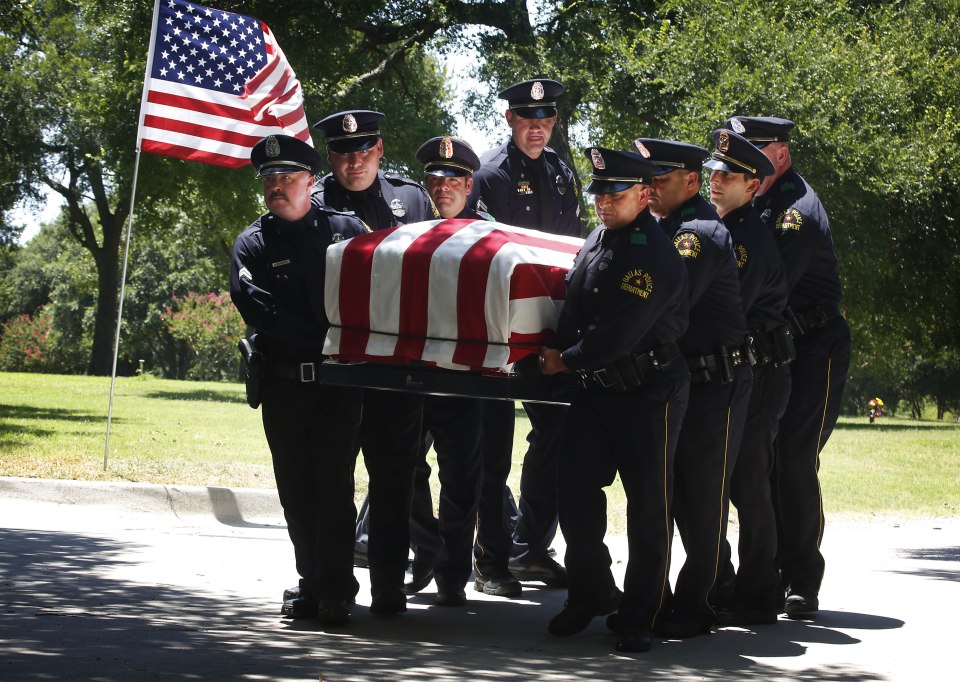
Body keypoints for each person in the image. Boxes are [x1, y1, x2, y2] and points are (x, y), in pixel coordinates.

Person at [541, 146, 690, 653]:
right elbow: (574, 308)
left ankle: (638, 613)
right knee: (575, 493)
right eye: (599, 191)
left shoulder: (651, 253)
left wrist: (563, 359)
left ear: (645, 196)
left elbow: (616, 334)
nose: (604, 200)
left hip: (648, 391)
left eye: (615, 191)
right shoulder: (597, 239)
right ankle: (590, 592)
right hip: (595, 391)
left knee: (648, 505)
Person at [230, 134, 368, 626]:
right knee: (295, 489)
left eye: (287, 178)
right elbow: (259, 310)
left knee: (333, 487)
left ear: (311, 182)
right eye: (270, 180)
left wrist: (338, 344)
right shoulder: (253, 242)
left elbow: (370, 296)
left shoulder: (346, 230)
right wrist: (326, 337)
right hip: (284, 385)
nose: (277, 187)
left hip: (337, 386)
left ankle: (335, 588)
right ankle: (311, 580)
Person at [724, 115, 851, 619]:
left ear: (780, 152)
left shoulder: (795, 212)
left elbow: (760, 287)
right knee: (765, 460)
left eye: (755, 150)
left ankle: (801, 578)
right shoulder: (758, 203)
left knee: (794, 460)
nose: (745, 161)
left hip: (814, 344)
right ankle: (770, 572)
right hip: (781, 346)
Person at [312, 110, 438, 615]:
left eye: (364, 149)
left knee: (394, 483)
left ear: (380, 149)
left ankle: (389, 589)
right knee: (333, 483)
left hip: (395, 368)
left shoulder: (409, 199)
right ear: (330, 157)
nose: (354, 160)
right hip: (339, 369)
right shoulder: (316, 203)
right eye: (343, 152)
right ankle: (336, 589)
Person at [467, 78, 583, 597]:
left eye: (547, 120)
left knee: (556, 438)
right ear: (510, 119)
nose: (538, 129)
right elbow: (485, 249)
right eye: (528, 120)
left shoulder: (561, 173)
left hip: (549, 324)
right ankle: (490, 558)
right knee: (491, 444)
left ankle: (531, 547)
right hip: (498, 325)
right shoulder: (488, 176)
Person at [636, 137, 753, 637]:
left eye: (658, 181)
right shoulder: (668, 228)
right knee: (676, 496)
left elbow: (661, 301)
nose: (650, 189)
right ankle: (668, 599)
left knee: (702, 498)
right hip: (688, 379)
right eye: (647, 181)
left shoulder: (697, 235)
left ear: (689, 181)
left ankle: (697, 604)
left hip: (715, 382)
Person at [702, 129, 794, 626]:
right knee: (728, 480)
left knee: (748, 484)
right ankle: (731, 583)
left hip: (758, 374)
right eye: (713, 173)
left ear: (754, 185)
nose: (715, 182)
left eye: (727, 176)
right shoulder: (726, 228)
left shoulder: (745, 238)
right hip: (743, 373)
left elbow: (729, 307)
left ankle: (760, 590)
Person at [402, 135, 491, 606]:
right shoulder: (410, 233)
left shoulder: (491, 235)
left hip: (464, 374)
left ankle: (453, 574)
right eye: (435, 180)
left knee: (461, 479)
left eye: (452, 179)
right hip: (414, 372)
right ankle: (428, 550)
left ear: (469, 183)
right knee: (407, 469)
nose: (443, 188)